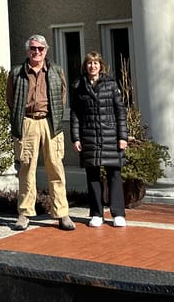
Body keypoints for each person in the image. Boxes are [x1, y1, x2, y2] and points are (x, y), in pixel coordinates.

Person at [7, 33, 74, 231]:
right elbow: (11, 100)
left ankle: (62, 214)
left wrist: (54, 116)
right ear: (27, 51)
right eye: (33, 48)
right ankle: (25, 213)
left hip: (50, 122)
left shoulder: (56, 71)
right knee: (27, 169)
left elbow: (62, 97)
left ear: (46, 51)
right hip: (28, 122)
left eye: (40, 49)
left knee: (56, 168)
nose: (37, 52)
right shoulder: (17, 72)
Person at [70, 51, 128, 227]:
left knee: (114, 174)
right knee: (92, 175)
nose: (92, 66)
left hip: (110, 135)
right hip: (89, 135)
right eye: (89, 63)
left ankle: (118, 213)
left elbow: (120, 112)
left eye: (95, 63)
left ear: (101, 66)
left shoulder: (110, 85)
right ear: (85, 66)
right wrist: (76, 138)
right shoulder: (78, 86)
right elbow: (75, 114)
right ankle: (96, 213)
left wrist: (122, 137)